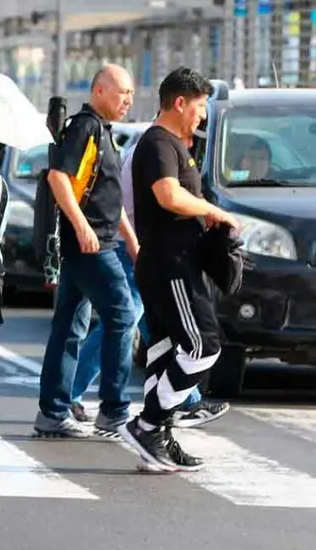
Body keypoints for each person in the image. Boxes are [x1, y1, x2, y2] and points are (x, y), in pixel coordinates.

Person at [119, 66, 240, 472]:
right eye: (201, 106)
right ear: (180, 102)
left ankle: (158, 441)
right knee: (204, 344)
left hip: (174, 261)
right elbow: (168, 196)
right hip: (170, 265)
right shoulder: (157, 143)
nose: (202, 116)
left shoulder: (175, 144)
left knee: (164, 350)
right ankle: (149, 423)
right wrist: (212, 210)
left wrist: (209, 222)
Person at [71, 131, 230, 430]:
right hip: (132, 247)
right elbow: (135, 203)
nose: (192, 142)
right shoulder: (153, 151)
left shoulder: (150, 149)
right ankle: (73, 390)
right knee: (124, 320)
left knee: (146, 324)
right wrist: (134, 245)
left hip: (136, 248)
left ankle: (187, 398)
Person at [34, 63, 139, 440]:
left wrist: (131, 239)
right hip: (91, 244)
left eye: (130, 93)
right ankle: (113, 410)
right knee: (122, 316)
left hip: (98, 241)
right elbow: (57, 177)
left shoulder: (104, 131)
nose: (128, 99)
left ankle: (52, 412)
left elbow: (109, 198)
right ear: (99, 91)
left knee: (69, 327)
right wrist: (80, 226)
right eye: (122, 91)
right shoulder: (86, 127)